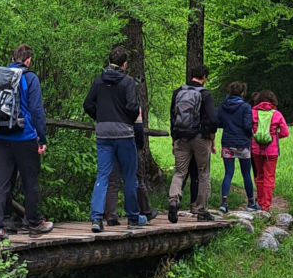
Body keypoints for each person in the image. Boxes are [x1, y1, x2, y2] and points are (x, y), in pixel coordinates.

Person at [0, 44, 54, 240]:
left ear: (13, 58)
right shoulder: (29, 78)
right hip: (24, 136)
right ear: (28, 60)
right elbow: (36, 110)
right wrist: (41, 138)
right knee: (30, 181)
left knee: (0, 182)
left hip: (0, 136)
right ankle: (34, 223)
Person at [83, 46, 143, 232]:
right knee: (129, 176)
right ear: (124, 65)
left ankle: (96, 217)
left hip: (103, 133)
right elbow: (132, 107)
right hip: (123, 133)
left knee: (103, 175)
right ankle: (133, 217)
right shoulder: (127, 82)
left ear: (109, 62)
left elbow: (87, 104)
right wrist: (127, 118)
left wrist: (100, 117)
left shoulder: (98, 80)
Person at [167, 65, 218, 223]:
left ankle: (173, 200)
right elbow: (213, 119)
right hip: (200, 138)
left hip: (181, 137)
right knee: (203, 173)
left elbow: (172, 117)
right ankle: (201, 210)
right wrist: (211, 136)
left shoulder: (178, 92)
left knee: (180, 172)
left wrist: (174, 139)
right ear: (205, 77)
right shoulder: (205, 94)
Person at [103, 111, 159, 226]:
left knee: (112, 182)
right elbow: (138, 127)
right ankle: (144, 211)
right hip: (130, 143)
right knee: (136, 179)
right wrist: (140, 145)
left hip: (110, 141)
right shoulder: (132, 103)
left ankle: (111, 216)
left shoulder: (110, 104)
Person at [216, 81, 257, 213]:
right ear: (242, 93)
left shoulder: (223, 105)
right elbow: (247, 125)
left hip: (227, 142)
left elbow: (217, 122)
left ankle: (224, 203)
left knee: (228, 173)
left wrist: (227, 125)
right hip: (242, 144)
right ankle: (251, 202)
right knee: (246, 174)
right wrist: (250, 135)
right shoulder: (245, 106)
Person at [250, 90, 289, 212]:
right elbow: (285, 132)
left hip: (256, 149)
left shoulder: (252, 113)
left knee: (259, 175)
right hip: (271, 151)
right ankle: (266, 206)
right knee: (269, 177)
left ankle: (259, 202)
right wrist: (273, 137)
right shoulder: (277, 114)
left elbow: (247, 128)